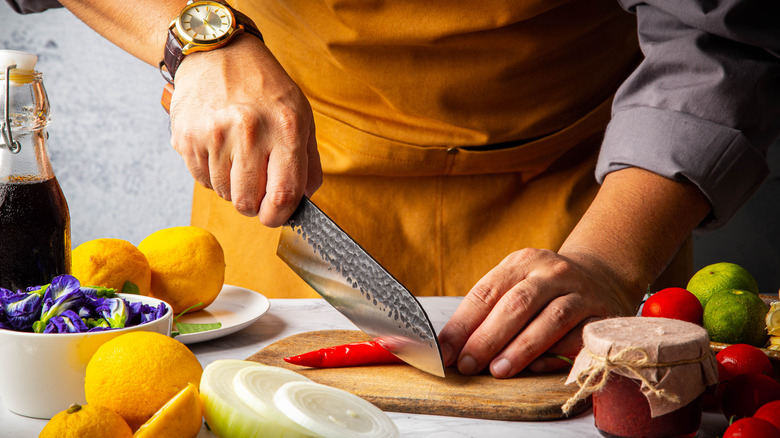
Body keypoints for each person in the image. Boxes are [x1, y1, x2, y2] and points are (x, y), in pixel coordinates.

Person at [8, 0, 780, 379]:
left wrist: (612, 259)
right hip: (286, 184)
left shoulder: (607, 242)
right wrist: (196, 40)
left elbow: (717, 34)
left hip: (592, 199)